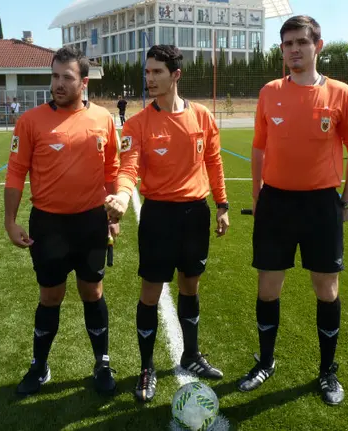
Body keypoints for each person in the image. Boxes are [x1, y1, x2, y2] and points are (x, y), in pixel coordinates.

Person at [238, 15, 348, 406]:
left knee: (326, 290)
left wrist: (346, 200)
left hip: (321, 205)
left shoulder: (342, 94)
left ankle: (327, 371)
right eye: (287, 44)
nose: (293, 50)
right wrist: (259, 197)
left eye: (301, 43)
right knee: (267, 287)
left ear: (318, 46)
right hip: (276, 202)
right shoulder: (269, 92)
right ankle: (266, 361)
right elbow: (259, 148)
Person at [104, 45, 230, 403]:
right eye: (147, 72)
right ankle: (147, 367)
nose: (150, 78)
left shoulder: (203, 117)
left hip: (195, 214)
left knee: (190, 286)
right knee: (151, 291)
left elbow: (215, 163)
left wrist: (222, 205)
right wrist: (123, 196)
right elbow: (128, 168)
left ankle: (191, 355)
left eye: (157, 72)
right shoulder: (137, 124)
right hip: (158, 216)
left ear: (176, 75)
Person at [4, 46, 121, 397]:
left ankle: (102, 362)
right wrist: (10, 221)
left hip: (90, 223)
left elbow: (112, 168)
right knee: (50, 296)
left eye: (66, 78)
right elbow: (15, 173)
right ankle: (39, 366)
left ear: (83, 82)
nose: (57, 83)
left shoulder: (103, 119)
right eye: (54, 76)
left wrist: (113, 214)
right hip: (49, 225)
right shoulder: (30, 121)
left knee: (92, 292)